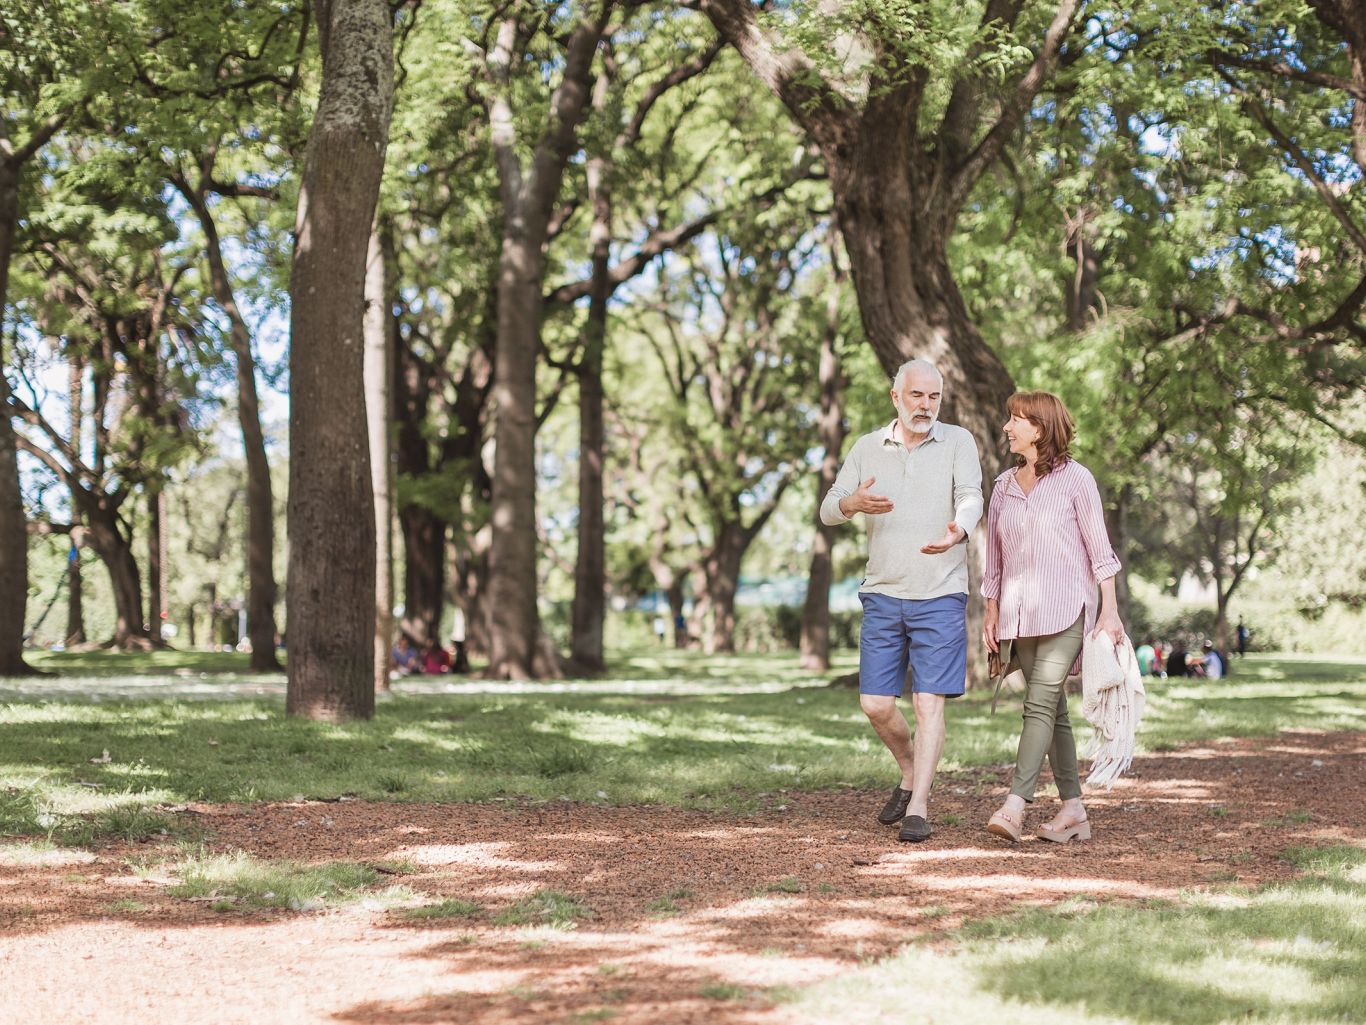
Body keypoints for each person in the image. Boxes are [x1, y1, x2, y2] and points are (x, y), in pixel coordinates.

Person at [820, 358, 983, 843]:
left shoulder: (958, 441)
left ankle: (918, 805)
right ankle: (910, 769)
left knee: (928, 703)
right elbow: (829, 509)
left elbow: (972, 495)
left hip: (941, 593)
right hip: (883, 592)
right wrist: (851, 504)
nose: (926, 405)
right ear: (896, 397)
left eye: (934, 397)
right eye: (917, 395)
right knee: (875, 704)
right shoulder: (867, 447)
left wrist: (960, 529)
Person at [982, 390, 1124, 844]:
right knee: (1054, 709)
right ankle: (1074, 810)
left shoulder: (1077, 480)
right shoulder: (1003, 487)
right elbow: (994, 559)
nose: (1007, 427)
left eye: (1016, 420)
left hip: (1066, 610)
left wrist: (1110, 612)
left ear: (1040, 429)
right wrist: (991, 607)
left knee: (1039, 702)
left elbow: (1100, 551)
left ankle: (1014, 806)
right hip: (1019, 615)